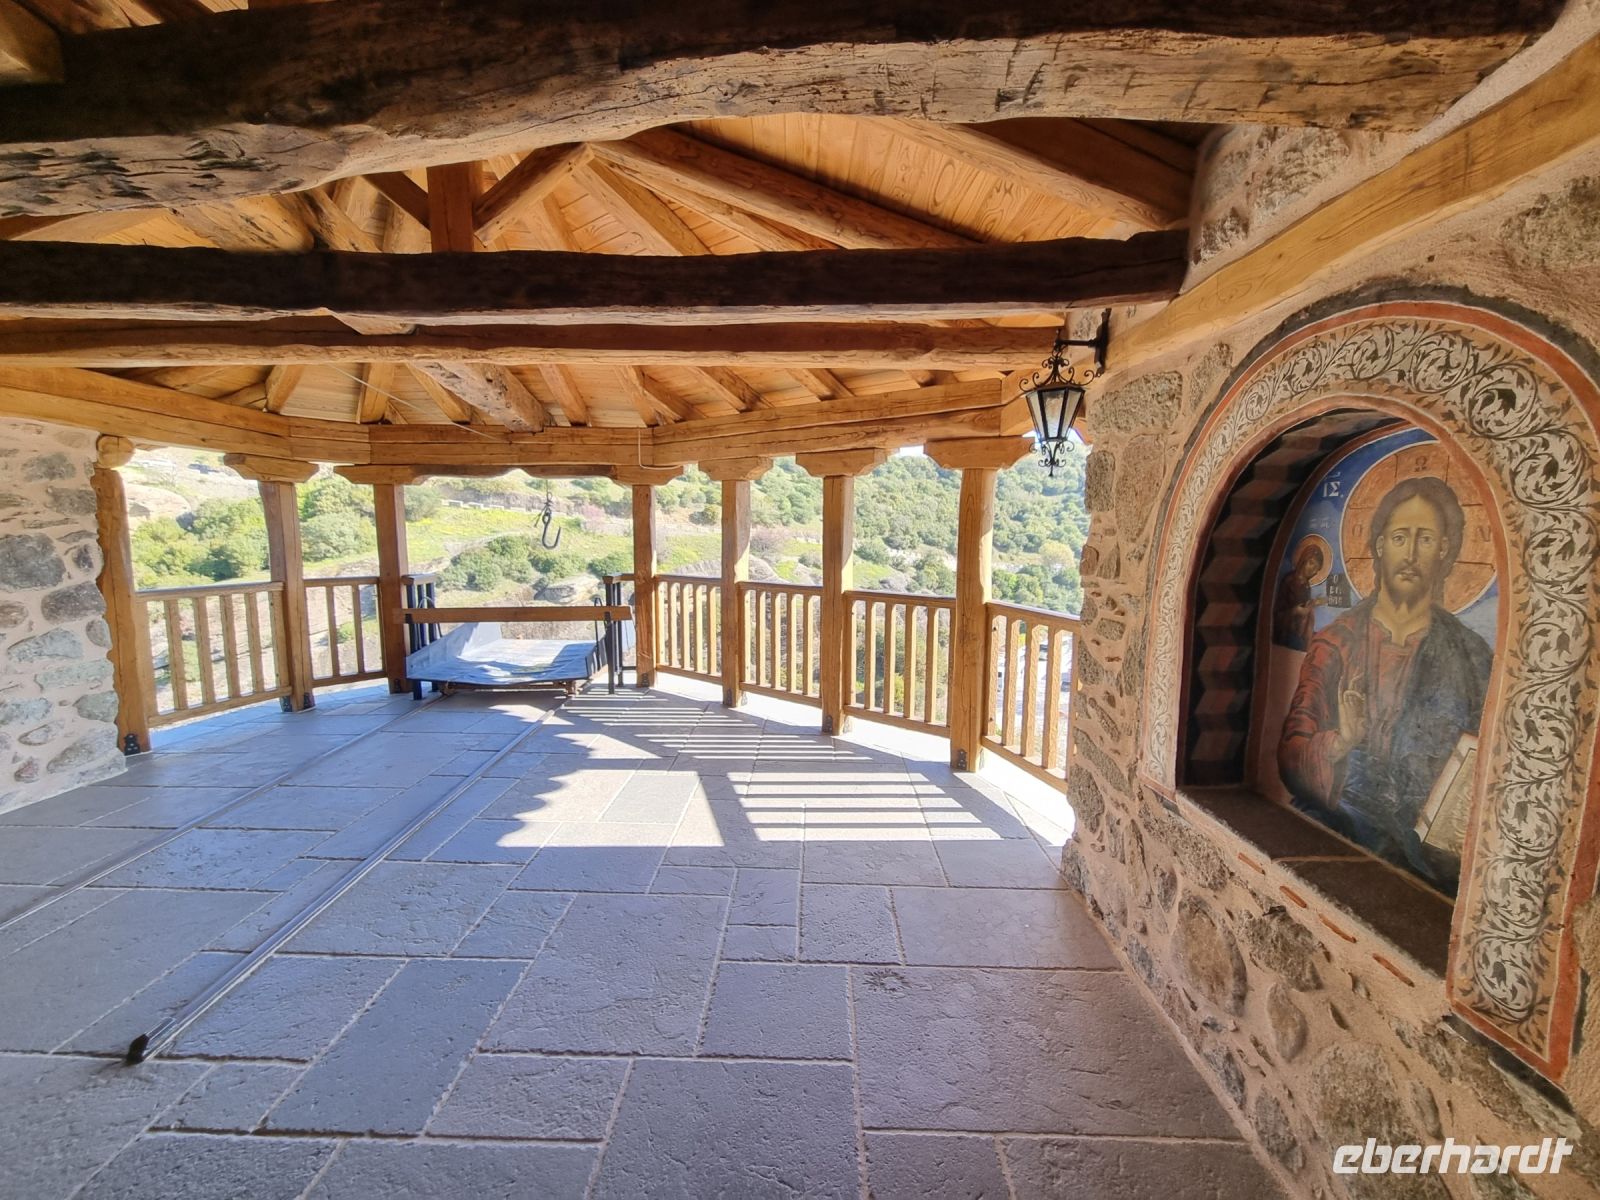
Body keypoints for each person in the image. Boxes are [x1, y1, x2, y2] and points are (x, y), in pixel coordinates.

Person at [1278, 476, 1492, 891]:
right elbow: (1291, 755)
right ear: (1378, 546)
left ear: (1445, 550)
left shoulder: (1472, 656)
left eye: (1426, 539)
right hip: (1337, 829)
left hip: (1429, 863)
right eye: (1399, 537)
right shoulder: (1334, 645)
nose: (1410, 554)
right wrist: (1341, 741)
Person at [1272, 540, 1325, 651]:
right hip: (1284, 635)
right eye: (1311, 563)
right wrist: (1295, 611)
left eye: (1316, 569)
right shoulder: (1289, 581)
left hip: (1298, 633)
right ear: (1303, 560)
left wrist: (1313, 603)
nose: (1313, 571)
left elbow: (1304, 607)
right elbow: (1276, 614)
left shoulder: (1306, 586)